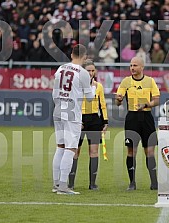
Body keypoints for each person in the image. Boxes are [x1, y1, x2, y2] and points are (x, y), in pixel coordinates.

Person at [52, 44, 97, 195]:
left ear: (71, 54)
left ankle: (56, 183)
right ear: (84, 57)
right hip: (72, 112)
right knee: (71, 148)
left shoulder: (60, 68)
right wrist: (93, 87)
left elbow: (54, 93)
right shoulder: (83, 73)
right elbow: (90, 99)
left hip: (58, 109)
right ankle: (63, 187)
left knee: (60, 146)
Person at [115, 56, 160, 190]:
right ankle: (132, 183)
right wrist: (118, 100)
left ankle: (154, 182)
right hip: (132, 118)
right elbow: (118, 102)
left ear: (142, 67)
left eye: (135, 65)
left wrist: (146, 104)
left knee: (150, 151)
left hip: (146, 117)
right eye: (131, 65)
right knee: (131, 151)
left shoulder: (150, 81)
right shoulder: (125, 82)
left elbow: (157, 100)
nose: (132, 68)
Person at [68, 59, 109, 190]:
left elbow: (102, 105)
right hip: (79, 121)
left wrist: (105, 122)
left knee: (94, 152)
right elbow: (71, 103)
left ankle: (92, 184)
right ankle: (71, 183)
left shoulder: (99, 86)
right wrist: (74, 120)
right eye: (88, 70)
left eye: (92, 70)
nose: (91, 73)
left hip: (94, 121)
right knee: (75, 152)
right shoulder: (76, 85)